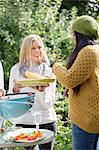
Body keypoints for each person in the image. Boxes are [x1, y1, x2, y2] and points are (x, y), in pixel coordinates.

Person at [52, 15, 99, 150]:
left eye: (73, 34)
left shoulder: (88, 52)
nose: (72, 37)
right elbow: (90, 79)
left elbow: (68, 79)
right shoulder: (96, 49)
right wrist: (72, 88)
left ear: (78, 34)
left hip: (87, 120)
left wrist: (56, 66)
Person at [8, 34, 57, 150]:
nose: (37, 51)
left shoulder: (49, 72)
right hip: (25, 122)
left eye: (39, 47)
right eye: (33, 48)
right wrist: (15, 90)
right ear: (25, 50)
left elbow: (48, 104)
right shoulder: (16, 70)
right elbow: (11, 100)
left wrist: (41, 91)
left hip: (46, 121)